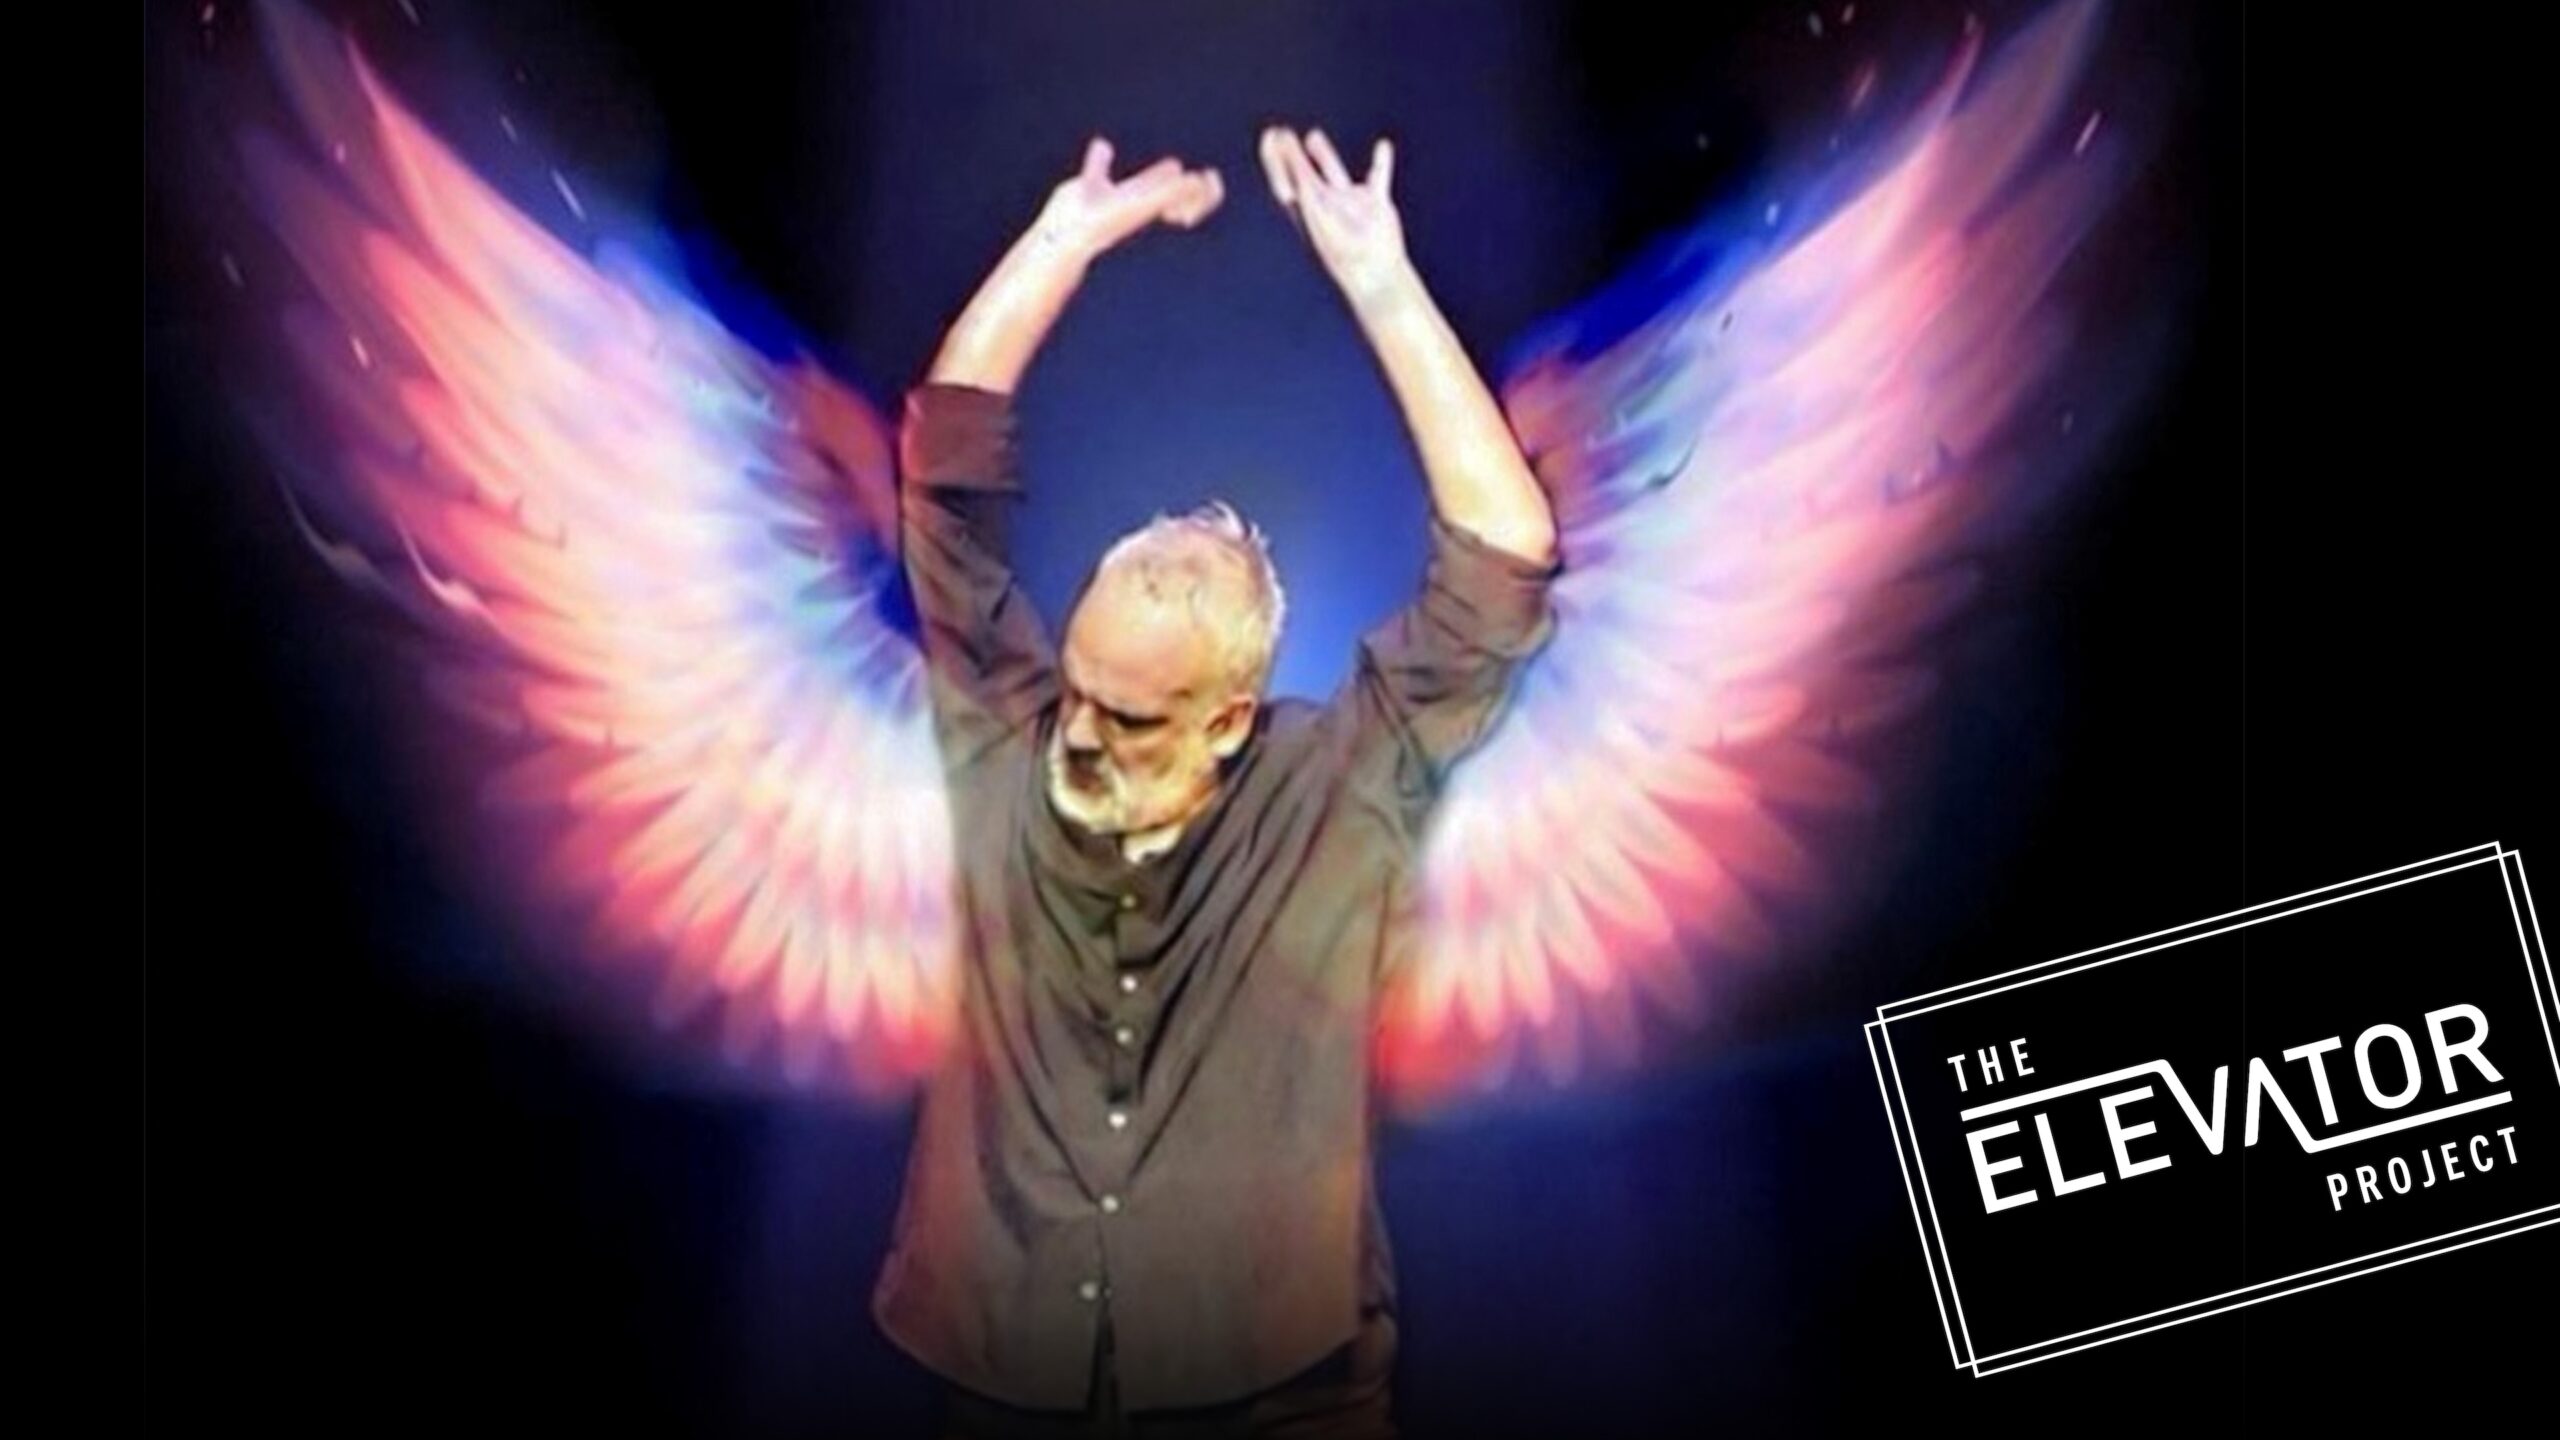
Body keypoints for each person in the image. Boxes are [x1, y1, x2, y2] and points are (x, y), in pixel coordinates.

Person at [878, 123, 1562, 1440]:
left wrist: (1383, 287)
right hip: (1008, 1375)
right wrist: (1063, 241)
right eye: (1078, 685)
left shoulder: (1335, 792)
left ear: (1231, 715)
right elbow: (944, 476)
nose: (1080, 733)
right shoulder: (1007, 733)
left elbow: (1504, 562)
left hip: (1276, 1397)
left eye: (1132, 716)